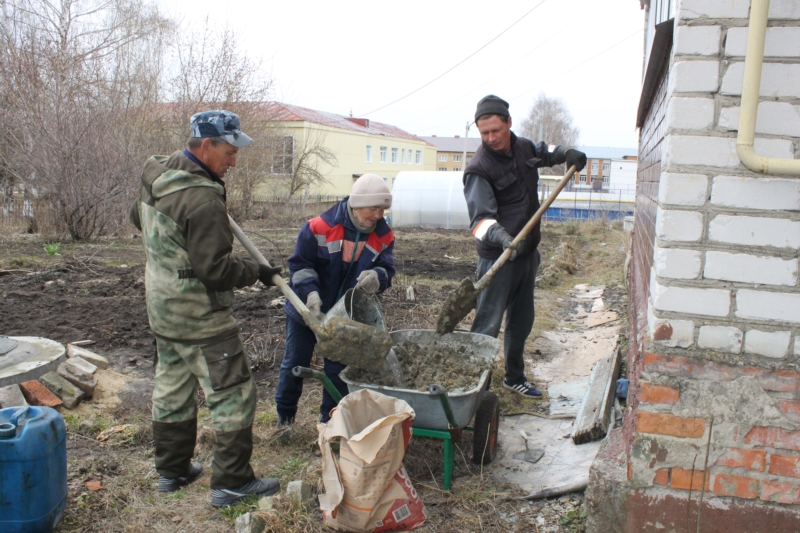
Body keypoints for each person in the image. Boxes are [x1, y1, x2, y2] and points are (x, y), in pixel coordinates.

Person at [130, 110, 284, 508]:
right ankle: (232, 482)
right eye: (230, 152)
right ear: (205, 146)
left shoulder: (159, 176)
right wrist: (258, 271)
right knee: (233, 392)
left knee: (173, 387)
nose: (234, 161)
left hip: (162, 308)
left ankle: (172, 471)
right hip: (200, 316)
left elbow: (138, 218)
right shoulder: (202, 199)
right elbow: (215, 270)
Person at [463, 95, 586, 397]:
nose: (491, 138)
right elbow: (479, 222)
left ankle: (514, 376)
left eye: (496, 130)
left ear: (509, 123)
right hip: (499, 258)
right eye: (484, 133)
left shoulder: (523, 147)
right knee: (487, 325)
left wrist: (568, 152)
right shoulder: (479, 168)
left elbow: (547, 152)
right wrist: (503, 238)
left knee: (522, 318)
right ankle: (475, 386)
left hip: (527, 253)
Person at [274, 173, 395, 425]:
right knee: (295, 363)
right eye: (373, 208)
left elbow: (387, 269)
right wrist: (310, 293)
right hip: (307, 309)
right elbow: (301, 264)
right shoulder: (319, 227)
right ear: (356, 204)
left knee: (338, 371)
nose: (378, 215)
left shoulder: (383, 236)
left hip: (344, 316)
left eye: (382, 209)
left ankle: (330, 423)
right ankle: (285, 419)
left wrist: (377, 276)